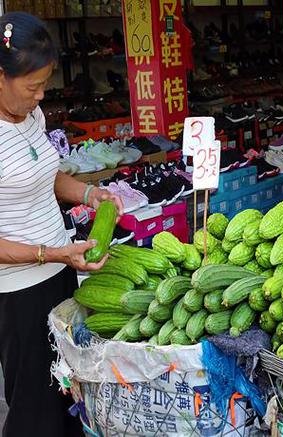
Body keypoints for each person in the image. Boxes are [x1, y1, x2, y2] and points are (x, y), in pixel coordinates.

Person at [0, 12, 123, 437]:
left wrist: (91, 194)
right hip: (16, 294)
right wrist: (51, 253)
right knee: (34, 407)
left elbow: (42, 173)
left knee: (68, 391)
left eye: (44, 86)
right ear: (0, 77)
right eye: (31, 87)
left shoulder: (31, 117)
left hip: (59, 275)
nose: (39, 97)